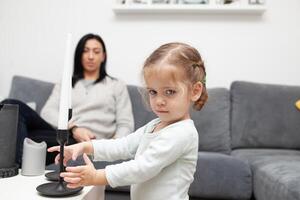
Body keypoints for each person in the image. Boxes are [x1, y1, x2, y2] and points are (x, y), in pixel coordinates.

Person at [48, 42, 208, 200]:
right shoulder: (154, 125)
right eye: (153, 92)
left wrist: (97, 176)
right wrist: (85, 147)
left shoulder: (182, 133)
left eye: (170, 92)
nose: (159, 100)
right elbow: (123, 145)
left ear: (195, 91)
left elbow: (142, 168)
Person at [2, 33, 134, 165]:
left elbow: (125, 124)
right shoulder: (66, 83)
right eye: (85, 51)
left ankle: (14, 164)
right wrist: (74, 129)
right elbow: (48, 111)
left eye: (96, 51)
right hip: (64, 133)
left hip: (87, 142)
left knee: (20, 137)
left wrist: (111, 145)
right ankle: (14, 166)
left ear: (103, 56)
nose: (91, 56)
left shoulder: (116, 85)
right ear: (79, 55)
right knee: (11, 106)